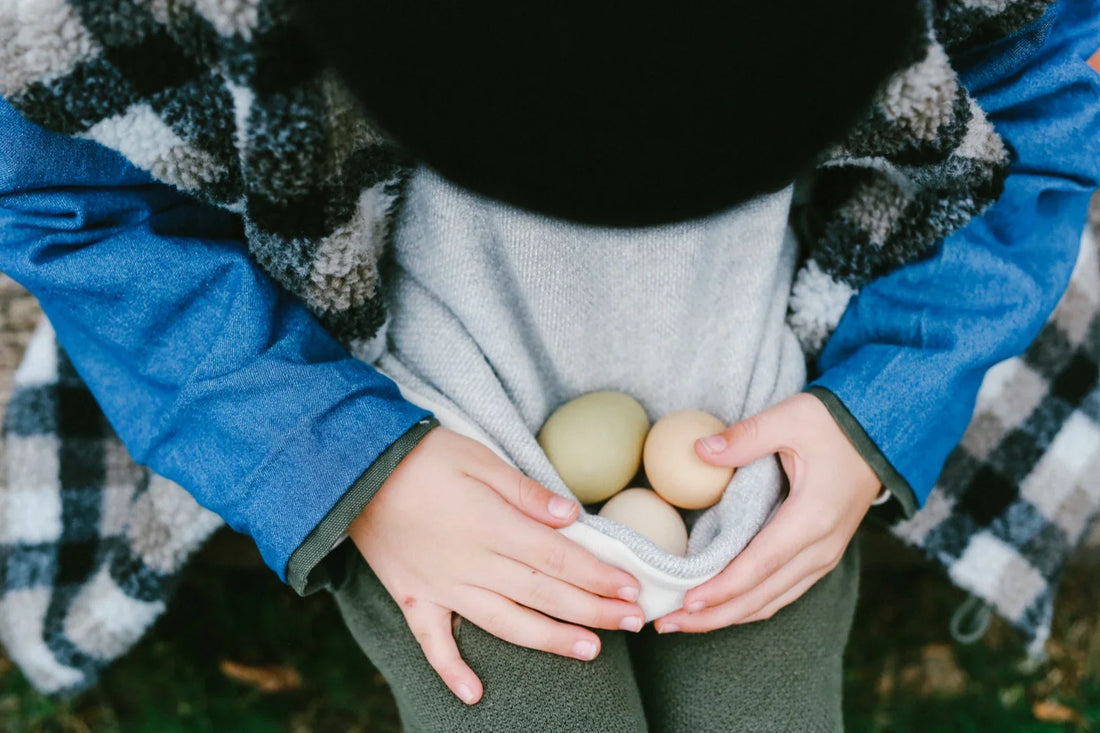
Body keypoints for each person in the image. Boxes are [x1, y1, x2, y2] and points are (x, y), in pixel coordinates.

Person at [0, 0, 1096, 730]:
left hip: (746, 382)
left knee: (762, 701)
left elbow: (1035, 109)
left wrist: (876, 405)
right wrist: (335, 459)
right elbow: (78, 203)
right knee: (530, 707)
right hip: (432, 417)